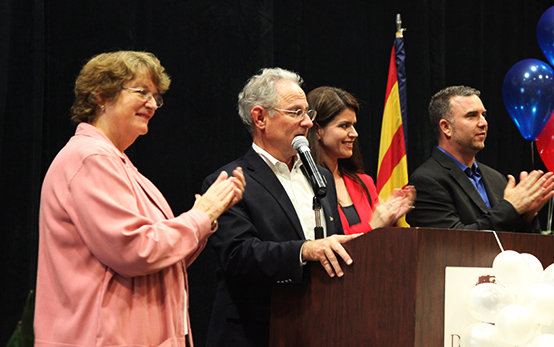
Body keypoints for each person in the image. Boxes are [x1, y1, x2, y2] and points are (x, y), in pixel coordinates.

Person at [34, 51, 245, 347]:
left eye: (155, 96)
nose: (152, 104)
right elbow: (136, 250)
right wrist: (200, 215)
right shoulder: (89, 159)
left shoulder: (116, 163)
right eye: (142, 92)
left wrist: (206, 216)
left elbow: (164, 259)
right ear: (101, 96)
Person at [201, 68, 361, 346]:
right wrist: (303, 250)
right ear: (260, 117)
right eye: (296, 112)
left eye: (307, 113)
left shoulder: (320, 177)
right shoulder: (228, 181)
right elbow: (238, 255)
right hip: (256, 332)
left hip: (319, 326)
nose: (307, 123)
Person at [406, 85, 554, 232]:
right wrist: (510, 208)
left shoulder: (496, 179)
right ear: (446, 127)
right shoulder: (426, 180)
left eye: (483, 115)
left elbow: (516, 243)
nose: (483, 123)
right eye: (472, 116)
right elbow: (453, 242)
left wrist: (527, 217)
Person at [306, 86, 415, 234]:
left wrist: (390, 213)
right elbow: (323, 242)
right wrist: (372, 225)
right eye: (344, 126)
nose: (354, 134)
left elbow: (383, 239)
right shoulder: (303, 185)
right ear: (318, 130)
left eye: (353, 125)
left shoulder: (363, 182)